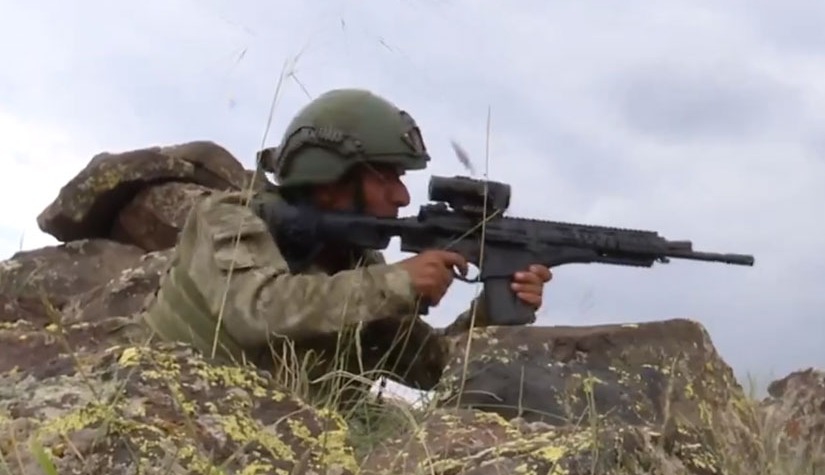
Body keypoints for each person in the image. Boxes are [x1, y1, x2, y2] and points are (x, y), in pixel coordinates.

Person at [140, 88, 552, 396]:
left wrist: (492, 310)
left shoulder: (359, 264)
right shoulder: (227, 216)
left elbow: (431, 368)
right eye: (386, 176)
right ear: (330, 175)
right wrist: (399, 282)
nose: (401, 197)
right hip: (167, 407)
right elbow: (257, 312)